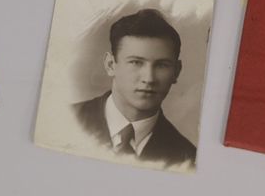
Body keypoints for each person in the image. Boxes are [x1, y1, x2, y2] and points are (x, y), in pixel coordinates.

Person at [71, 9, 196, 167]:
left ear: (176, 72)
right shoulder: (67, 120)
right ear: (110, 65)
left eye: (162, 65)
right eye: (136, 62)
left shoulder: (187, 159)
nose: (149, 79)